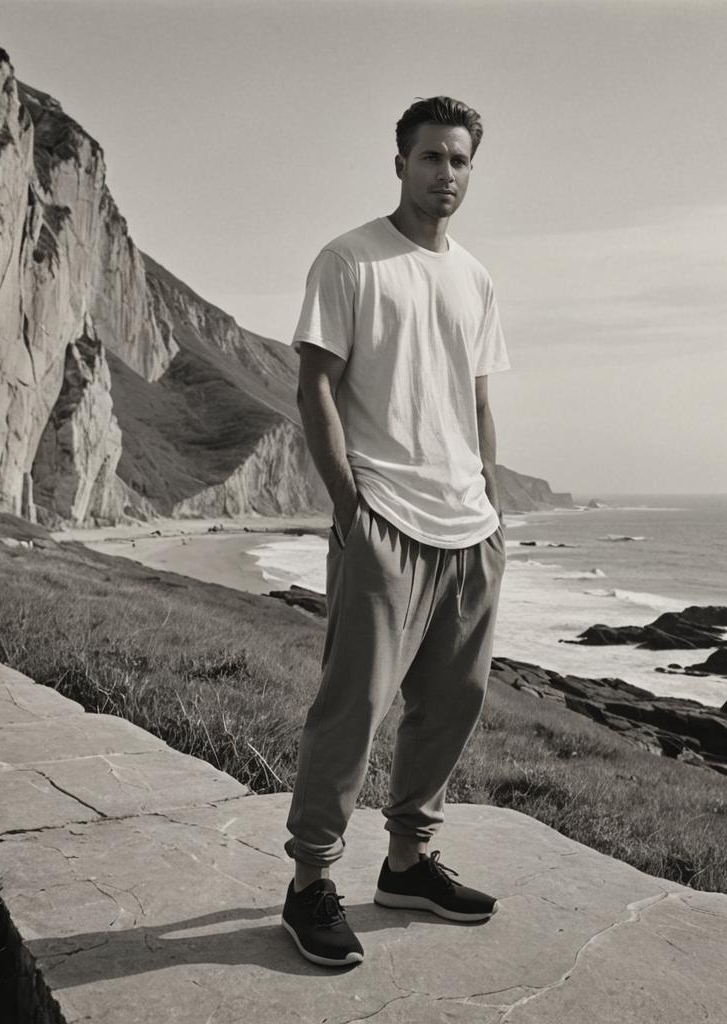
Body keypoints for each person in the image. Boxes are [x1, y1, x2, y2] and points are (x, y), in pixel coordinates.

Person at [281, 96, 510, 968]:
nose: (445, 175)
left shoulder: (477, 277)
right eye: (430, 159)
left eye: (459, 161)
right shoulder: (350, 260)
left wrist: (492, 504)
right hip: (383, 519)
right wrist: (350, 510)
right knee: (355, 707)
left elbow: (478, 399)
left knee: (452, 704)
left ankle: (409, 863)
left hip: (468, 529)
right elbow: (316, 391)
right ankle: (309, 883)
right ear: (400, 163)